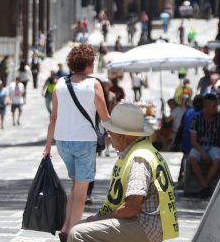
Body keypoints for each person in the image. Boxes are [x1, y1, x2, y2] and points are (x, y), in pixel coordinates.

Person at [67, 102, 179, 242]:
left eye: (110, 132)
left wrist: (100, 219)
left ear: (121, 135)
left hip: (145, 226)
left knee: (78, 234)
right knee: (80, 227)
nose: (109, 136)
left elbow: (132, 207)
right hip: (143, 223)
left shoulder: (139, 159)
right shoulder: (142, 150)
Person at [44, 43, 111, 239]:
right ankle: (73, 232)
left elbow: (53, 117)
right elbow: (105, 116)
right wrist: (116, 137)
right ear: (89, 64)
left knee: (76, 186)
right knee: (81, 191)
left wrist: (48, 146)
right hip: (84, 142)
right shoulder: (94, 84)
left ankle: (66, 227)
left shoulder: (60, 84)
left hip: (63, 142)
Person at [188, 93, 220, 197]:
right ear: (206, 107)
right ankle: (205, 186)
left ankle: (204, 185)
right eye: (213, 106)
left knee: (218, 160)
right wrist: (202, 153)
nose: (216, 108)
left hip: (214, 146)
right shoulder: (197, 119)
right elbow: (193, 140)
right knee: (192, 159)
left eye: (216, 106)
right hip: (199, 146)